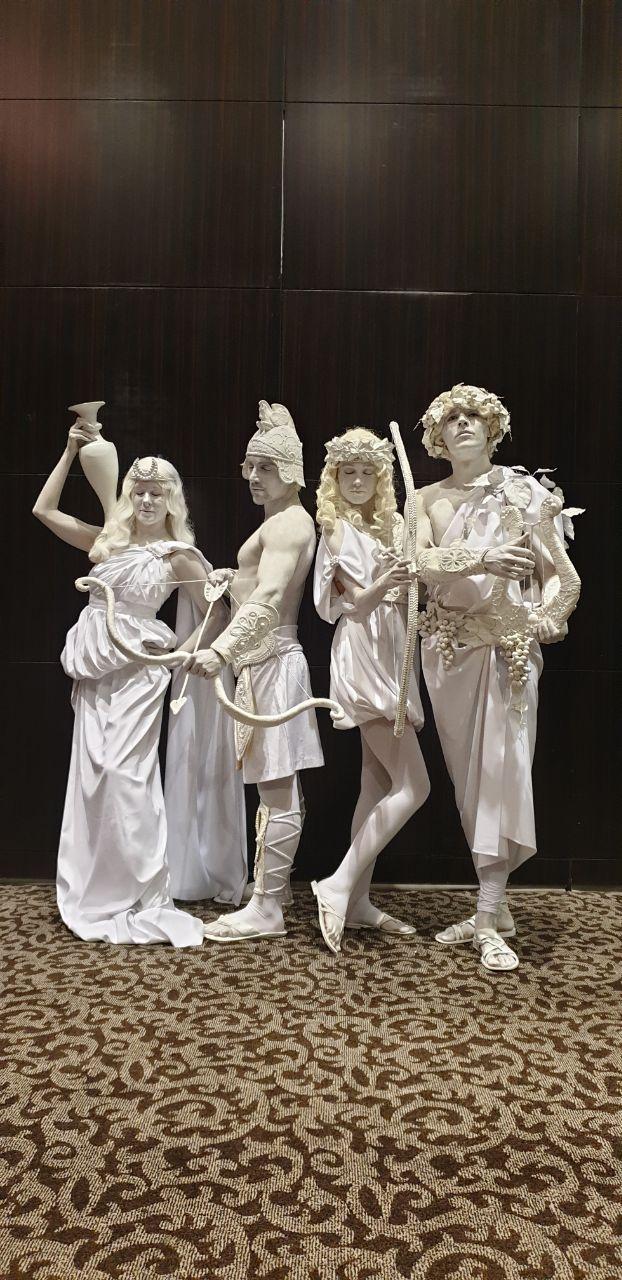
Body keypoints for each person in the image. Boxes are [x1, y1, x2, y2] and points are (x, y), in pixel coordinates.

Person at [32, 422, 244, 945]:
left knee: (126, 775)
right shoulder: (109, 541)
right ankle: (96, 887)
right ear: (129, 494)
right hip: (95, 667)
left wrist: (182, 656)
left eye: (158, 492)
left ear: (172, 499)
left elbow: (216, 612)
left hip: (140, 671)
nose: (147, 500)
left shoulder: (178, 554)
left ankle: (143, 887)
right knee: (92, 777)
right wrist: (70, 451)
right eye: (140, 491)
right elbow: (44, 510)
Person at [416, 384, 580, 972]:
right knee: (469, 781)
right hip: (448, 652)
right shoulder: (424, 499)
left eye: (473, 416)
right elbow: (421, 564)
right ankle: (498, 907)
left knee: (501, 773)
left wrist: (550, 616)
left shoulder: (523, 492)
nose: (463, 424)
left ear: (492, 428)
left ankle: (487, 916)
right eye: (451, 418)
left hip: (508, 650)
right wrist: (482, 559)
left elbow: (562, 575)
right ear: (438, 435)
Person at [185, 401, 325, 942]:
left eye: (265, 467)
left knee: (277, 786)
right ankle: (274, 891)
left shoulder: (289, 522)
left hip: (274, 661)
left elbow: (270, 597)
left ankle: (267, 907)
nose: (252, 476)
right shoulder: (278, 522)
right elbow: (258, 587)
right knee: (273, 784)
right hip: (261, 663)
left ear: (290, 470)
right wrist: (231, 582)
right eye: (249, 466)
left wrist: (220, 651)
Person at [310, 428, 431, 954]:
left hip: (395, 647)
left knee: (376, 782)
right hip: (364, 652)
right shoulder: (335, 530)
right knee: (414, 786)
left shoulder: (396, 526)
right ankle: (338, 884)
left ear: (381, 478)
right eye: (348, 473)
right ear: (334, 478)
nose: (357, 481)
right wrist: (390, 581)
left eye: (367, 472)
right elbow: (356, 604)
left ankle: (357, 900)